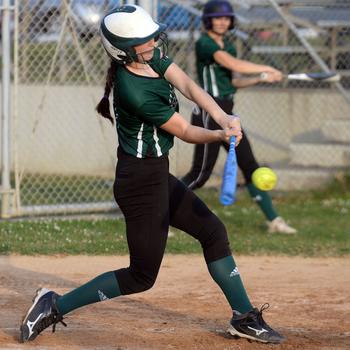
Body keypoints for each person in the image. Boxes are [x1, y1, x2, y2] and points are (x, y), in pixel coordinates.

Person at [19, 5, 285, 345]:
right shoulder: (134, 90)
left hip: (157, 175)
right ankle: (54, 304)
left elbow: (188, 84)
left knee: (214, 232)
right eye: (144, 41)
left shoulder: (150, 57)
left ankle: (244, 317)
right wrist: (221, 136)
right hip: (140, 184)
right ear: (123, 51)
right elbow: (186, 132)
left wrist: (222, 117)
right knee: (141, 276)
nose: (154, 43)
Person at [181, 0, 297, 234]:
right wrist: (264, 67)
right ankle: (159, 212)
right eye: (217, 17)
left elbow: (232, 81)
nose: (222, 21)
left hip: (228, 115)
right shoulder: (205, 43)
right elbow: (231, 63)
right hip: (208, 114)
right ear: (208, 20)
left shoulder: (229, 45)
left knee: (250, 166)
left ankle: (274, 220)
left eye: (226, 18)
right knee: (200, 175)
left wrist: (261, 77)